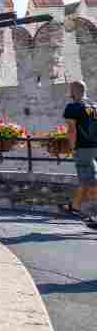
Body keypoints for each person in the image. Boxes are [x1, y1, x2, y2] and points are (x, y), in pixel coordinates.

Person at [60, 81, 97, 224]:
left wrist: (72, 147)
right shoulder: (94, 106)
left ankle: (94, 216)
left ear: (73, 92)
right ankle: (74, 207)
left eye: (69, 90)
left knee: (92, 182)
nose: (68, 92)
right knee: (85, 179)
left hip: (83, 147)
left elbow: (72, 130)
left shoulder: (72, 107)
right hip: (94, 147)